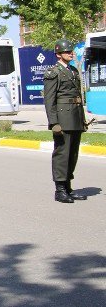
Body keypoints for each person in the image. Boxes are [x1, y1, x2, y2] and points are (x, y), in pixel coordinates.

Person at [43, 40, 88, 203]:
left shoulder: (74, 71)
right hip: (63, 119)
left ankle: (68, 187)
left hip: (75, 118)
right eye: (67, 51)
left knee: (73, 154)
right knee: (62, 154)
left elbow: (78, 98)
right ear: (58, 54)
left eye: (71, 51)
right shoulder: (53, 72)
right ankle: (60, 190)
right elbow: (49, 99)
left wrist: (82, 120)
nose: (71, 53)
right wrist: (54, 122)